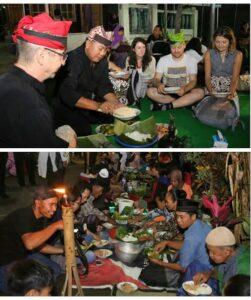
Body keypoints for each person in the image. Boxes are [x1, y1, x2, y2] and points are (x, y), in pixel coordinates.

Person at [0, 13, 76, 148]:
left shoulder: (5, 81)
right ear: (41, 56)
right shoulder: (32, 105)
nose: (64, 62)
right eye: (62, 55)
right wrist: (69, 142)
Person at [53, 25, 123, 136]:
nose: (103, 53)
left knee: (110, 118)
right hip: (66, 107)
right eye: (100, 49)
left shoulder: (102, 60)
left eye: (106, 50)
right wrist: (98, 106)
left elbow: (103, 85)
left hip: (87, 105)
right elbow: (67, 93)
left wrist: (115, 103)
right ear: (88, 43)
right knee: (84, 130)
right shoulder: (73, 59)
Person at [0, 186, 64, 293]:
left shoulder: (40, 218)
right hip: (4, 262)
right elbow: (30, 244)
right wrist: (55, 226)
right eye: (51, 204)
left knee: (54, 270)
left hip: (22, 256)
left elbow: (38, 245)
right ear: (38, 203)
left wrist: (62, 250)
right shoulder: (23, 216)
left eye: (56, 205)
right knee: (28, 288)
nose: (55, 209)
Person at [139, 199, 212, 288]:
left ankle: (176, 282)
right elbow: (187, 245)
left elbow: (182, 267)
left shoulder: (192, 237)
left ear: (193, 216)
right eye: (177, 216)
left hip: (195, 274)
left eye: (181, 217)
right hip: (207, 268)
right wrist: (167, 243)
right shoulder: (202, 225)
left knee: (146, 274)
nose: (178, 220)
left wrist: (159, 263)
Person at [147, 31, 204, 111]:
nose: (176, 50)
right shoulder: (163, 60)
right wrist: (159, 85)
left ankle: (167, 106)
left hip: (185, 90)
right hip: (167, 92)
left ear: (184, 46)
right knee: (150, 92)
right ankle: (184, 103)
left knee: (200, 92)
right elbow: (156, 79)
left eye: (179, 47)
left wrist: (184, 89)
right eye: (173, 48)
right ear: (169, 47)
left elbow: (193, 81)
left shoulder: (192, 60)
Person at [193, 226, 250, 295]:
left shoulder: (244, 268)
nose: (210, 255)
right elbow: (220, 270)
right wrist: (208, 274)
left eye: (213, 252)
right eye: (209, 251)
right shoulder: (227, 256)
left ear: (227, 251)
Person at [204, 26, 243, 114]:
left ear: (230, 42)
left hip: (229, 86)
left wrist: (231, 93)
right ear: (214, 41)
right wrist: (211, 91)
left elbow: (235, 77)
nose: (220, 45)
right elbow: (207, 77)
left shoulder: (238, 54)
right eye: (217, 41)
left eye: (224, 42)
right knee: (210, 111)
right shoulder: (208, 53)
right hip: (212, 86)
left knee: (228, 111)